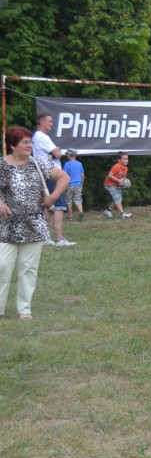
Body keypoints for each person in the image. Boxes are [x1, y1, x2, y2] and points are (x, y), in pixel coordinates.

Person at [0, 126, 70, 319]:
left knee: (28, 268)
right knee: (2, 267)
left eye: (30, 141)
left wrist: (54, 196)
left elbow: (64, 177)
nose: (30, 145)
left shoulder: (37, 164)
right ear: (13, 145)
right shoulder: (1, 165)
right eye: (25, 142)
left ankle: (24, 309)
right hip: (6, 226)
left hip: (33, 224)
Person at [32, 113, 73, 245]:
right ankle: (59, 239)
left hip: (45, 173)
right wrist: (57, 151)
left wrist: (56, 152)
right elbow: (57, 154)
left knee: (46, 205)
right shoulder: (42, 136)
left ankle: (44, 237)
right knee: (58, 206)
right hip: (52, 173)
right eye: (49, 121)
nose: (52, 124)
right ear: (42, 122)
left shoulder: (37, 137)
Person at [103, 152, 132, 219]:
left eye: (127, 159)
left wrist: (124, 183)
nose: (126, 160)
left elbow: (123, 179)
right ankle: (123, 214)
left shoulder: (126, 168)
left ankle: (108, 210)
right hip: (109, 184)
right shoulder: (116, 166)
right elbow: (110, 175)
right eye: (124, 159)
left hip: (116, 185)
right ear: (119, 160)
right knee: (117, 199)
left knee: (119, 199)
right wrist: (119, 181)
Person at [62, 150, 84, 221]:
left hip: (69, 185)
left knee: (69, 200)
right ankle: (81, 212)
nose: (66, 155)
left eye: (67, 154)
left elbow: (64, 176)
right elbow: (82, 175)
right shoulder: (79, 164)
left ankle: (71, 216)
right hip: (78, 184)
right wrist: (81, 184)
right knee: (78, 200)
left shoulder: (67, 164)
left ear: (70, 155)